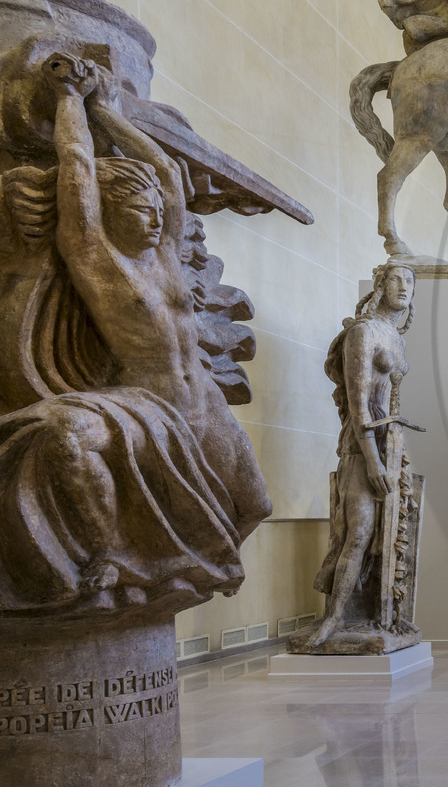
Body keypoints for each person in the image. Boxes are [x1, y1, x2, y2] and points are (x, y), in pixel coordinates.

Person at [0, 54, 268, 614]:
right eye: (136, 208)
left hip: (205, 403)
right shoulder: (96, 258)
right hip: (147, 404)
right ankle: (112, 554)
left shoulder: (166, 258)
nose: (152, 218)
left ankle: (187, 562)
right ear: (108, 212)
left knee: (255, 506)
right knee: (71, 441)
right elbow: (76, 165)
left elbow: (169, 178)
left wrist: (107, 107)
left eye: (154, 211)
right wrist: (70, 100)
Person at [304, 262, 417, 649]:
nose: (405, 287)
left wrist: (389, 454)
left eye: (411, 281)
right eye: (397, 280)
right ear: (380, 286)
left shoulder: (396, 338)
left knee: (386, 536)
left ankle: (380, 619)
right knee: (359, 532)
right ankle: (332, 621)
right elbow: (358, 403)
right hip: (362, 447)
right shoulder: (363, 332)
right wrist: (371, 459)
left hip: (392, 446)